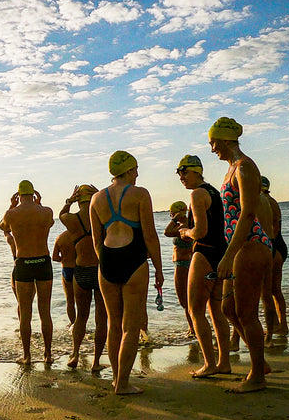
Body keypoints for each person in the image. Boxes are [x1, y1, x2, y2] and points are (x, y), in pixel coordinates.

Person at [89, 152, 163, 395]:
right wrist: (159, 269)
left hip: (107, 260)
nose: (138, 174)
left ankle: (116, 379)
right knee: (131, 327)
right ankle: (123, 383)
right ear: (129, 170)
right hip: (133, 258)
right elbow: (150, 235)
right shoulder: (140, 194)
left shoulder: (96, 199)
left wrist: (106, 262)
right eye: (136, 169)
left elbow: (96, 241)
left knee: (114, 325)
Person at [209, 116, 273, 393]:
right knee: (227, 309)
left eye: (213, 143)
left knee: (246, 313)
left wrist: (227, 255)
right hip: (238, 247)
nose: (212, 149)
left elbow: (247, 214)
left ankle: (257, 376)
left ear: (225, 139)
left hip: (251, 245)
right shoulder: (230, 171)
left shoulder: (245, 167)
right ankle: (261, 363)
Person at [176, 154, 230, 378]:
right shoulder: (214, 192)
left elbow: (201, 231)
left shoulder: (197, 194)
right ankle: (224, 362)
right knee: (216, 311)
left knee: (195, 310)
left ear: (197, 171)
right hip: (221, 253)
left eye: (184, 172)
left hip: (205, 252)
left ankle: (209, 363)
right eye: (179, 174)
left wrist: (185, 232)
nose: (181, 177)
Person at [0, 180, 55, 366]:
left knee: (25, 312)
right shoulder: (46, 211)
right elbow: (50, 223)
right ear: (34, 194)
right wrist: (38, 205)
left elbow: (3, 227)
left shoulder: (11, 214)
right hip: (43, 262)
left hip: (24, 263)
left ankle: (27, 356)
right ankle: (47, 354)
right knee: (45, 312)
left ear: (18, 195)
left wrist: (11, 206)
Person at [59, 185, 106, 371]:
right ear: (93, 197)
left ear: (79, 200)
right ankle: (95, 363)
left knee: (81, 317)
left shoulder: (71, 219)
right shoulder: (102, 216)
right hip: (100, 270)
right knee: (101, 319)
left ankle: (76, 354)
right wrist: (100, 193)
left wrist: (69, 201)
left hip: (81, 271)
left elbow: (62, 214)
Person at [260, 176, 288, 339]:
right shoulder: (272, 201)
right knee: (275, 290)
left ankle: (272, 329)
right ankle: (280, 326)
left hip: (272, 247)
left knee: (267, 292)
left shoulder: (263, 201)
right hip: (279, 246)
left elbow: (274, 228)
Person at [163, 200, 195, 336]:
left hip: (183, 265)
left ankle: (193, 328)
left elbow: (167, 232)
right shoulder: (188, 225)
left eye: (172, 214)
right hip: (185, 264)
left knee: (184, 301)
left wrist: (175, 220)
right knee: (189, 301)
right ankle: (193, 327)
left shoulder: (184, 227)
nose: (171, 216)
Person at [52, 224, 77, 327]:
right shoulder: (80, 235)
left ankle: (73, 324)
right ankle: (81, 324)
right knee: (83, 301)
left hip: (67, 269)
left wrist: (64, 259)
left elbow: (54, 257)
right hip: (80, 268)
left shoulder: (61, 237)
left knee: (70, 300)